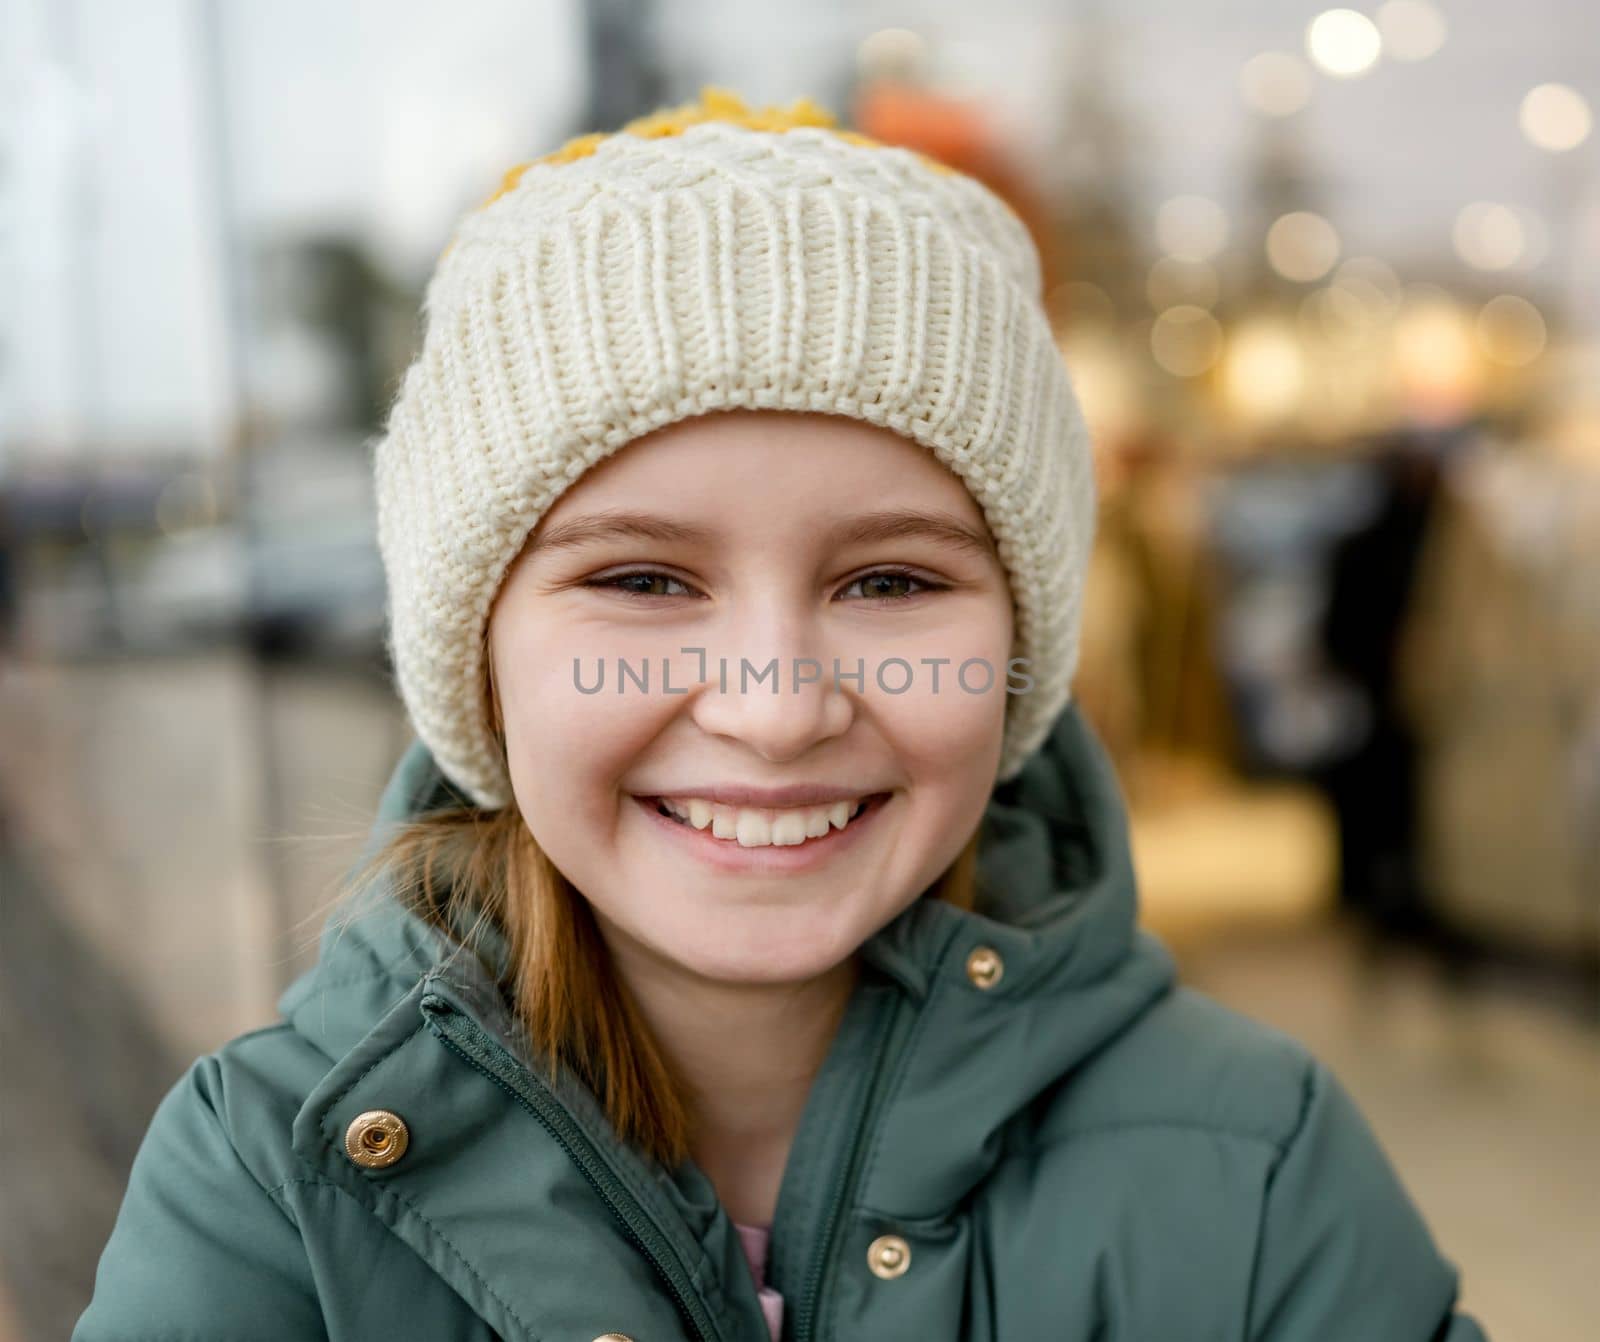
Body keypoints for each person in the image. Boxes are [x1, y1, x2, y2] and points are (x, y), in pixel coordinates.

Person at [74, 88, 1488, 1342]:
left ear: (1019, 650)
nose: (774, 708)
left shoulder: (1251, 1163)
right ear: (479, 654)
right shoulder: (278, 1178)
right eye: (640, 577)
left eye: (888, 579)